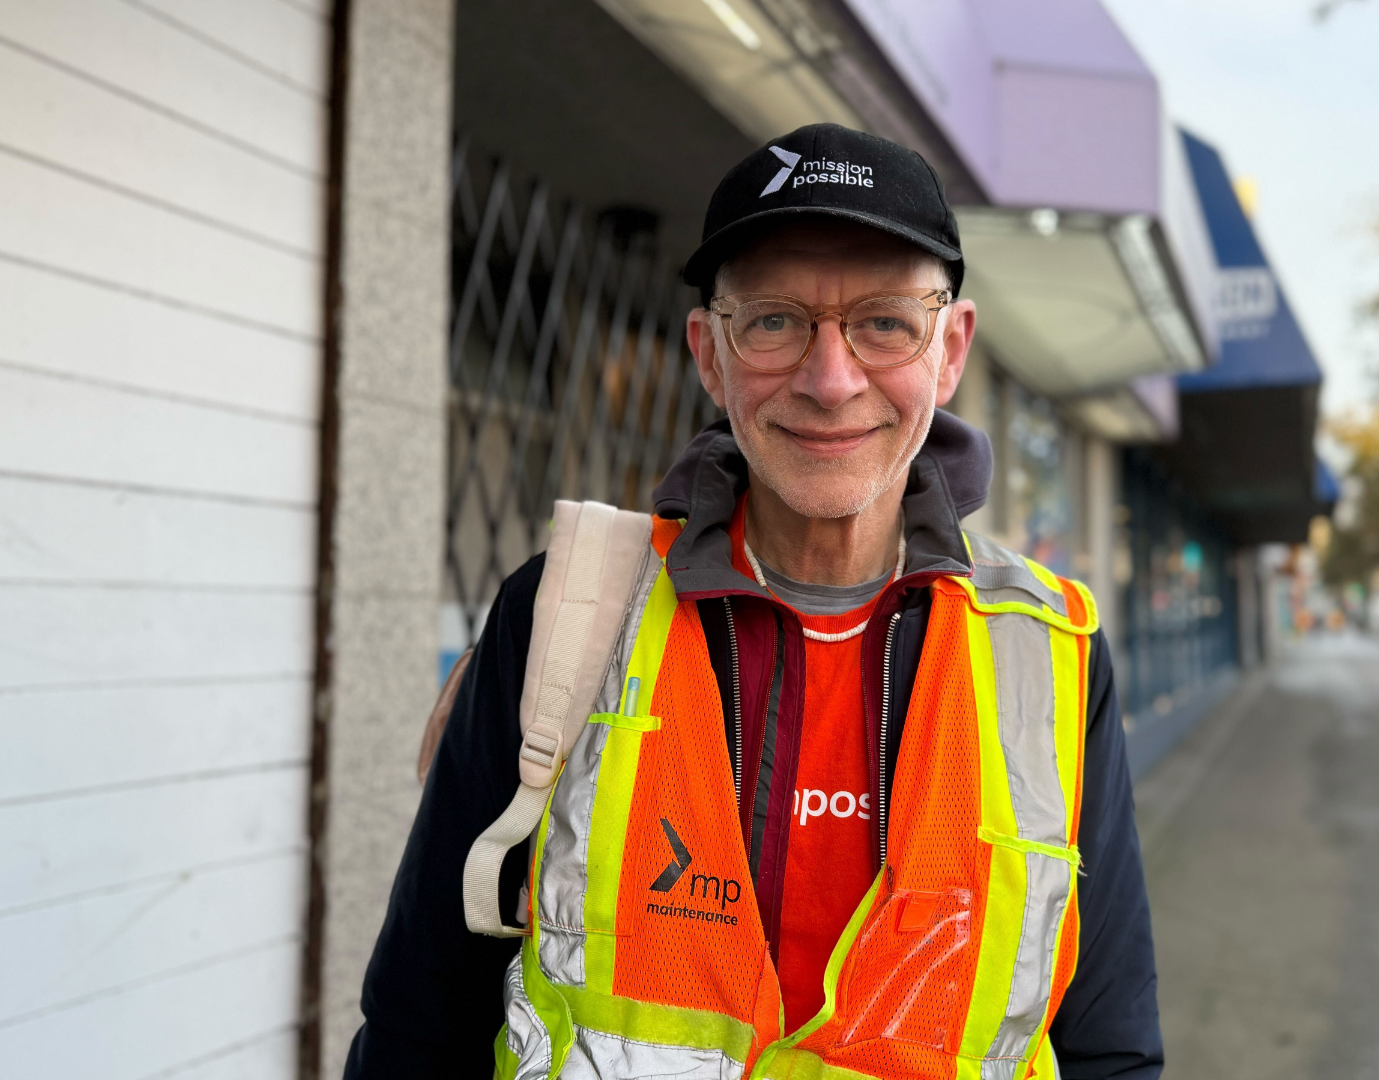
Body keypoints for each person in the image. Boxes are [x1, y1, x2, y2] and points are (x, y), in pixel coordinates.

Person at [346, 123, 1163, 1080]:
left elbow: (1107, 1047)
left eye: (886, 320)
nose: (830, 379)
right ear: (709, 352)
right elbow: (418, 1026)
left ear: (950, 350)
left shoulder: (1048, 654)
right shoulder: (567, 615)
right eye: (772, 320)